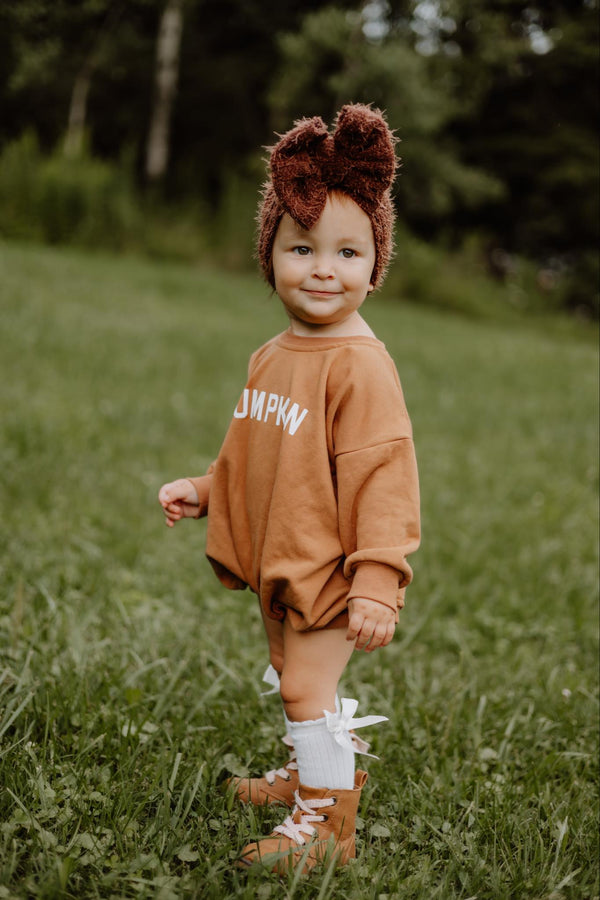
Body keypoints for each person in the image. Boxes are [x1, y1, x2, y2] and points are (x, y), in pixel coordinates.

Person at [158, 103, 420, 873]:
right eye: (302, 247)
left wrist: (377, 579)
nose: (324, 269)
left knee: (307, 685)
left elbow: (384, 480)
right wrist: (207, 489)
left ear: (375, 263)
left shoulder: (359, 366)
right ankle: (310, 770)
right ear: (270, 255)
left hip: (332, 568)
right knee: (295, 680)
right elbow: (259, 452)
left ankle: (327, 828)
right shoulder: (272, 355)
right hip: (285, 558)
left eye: (348, 251)